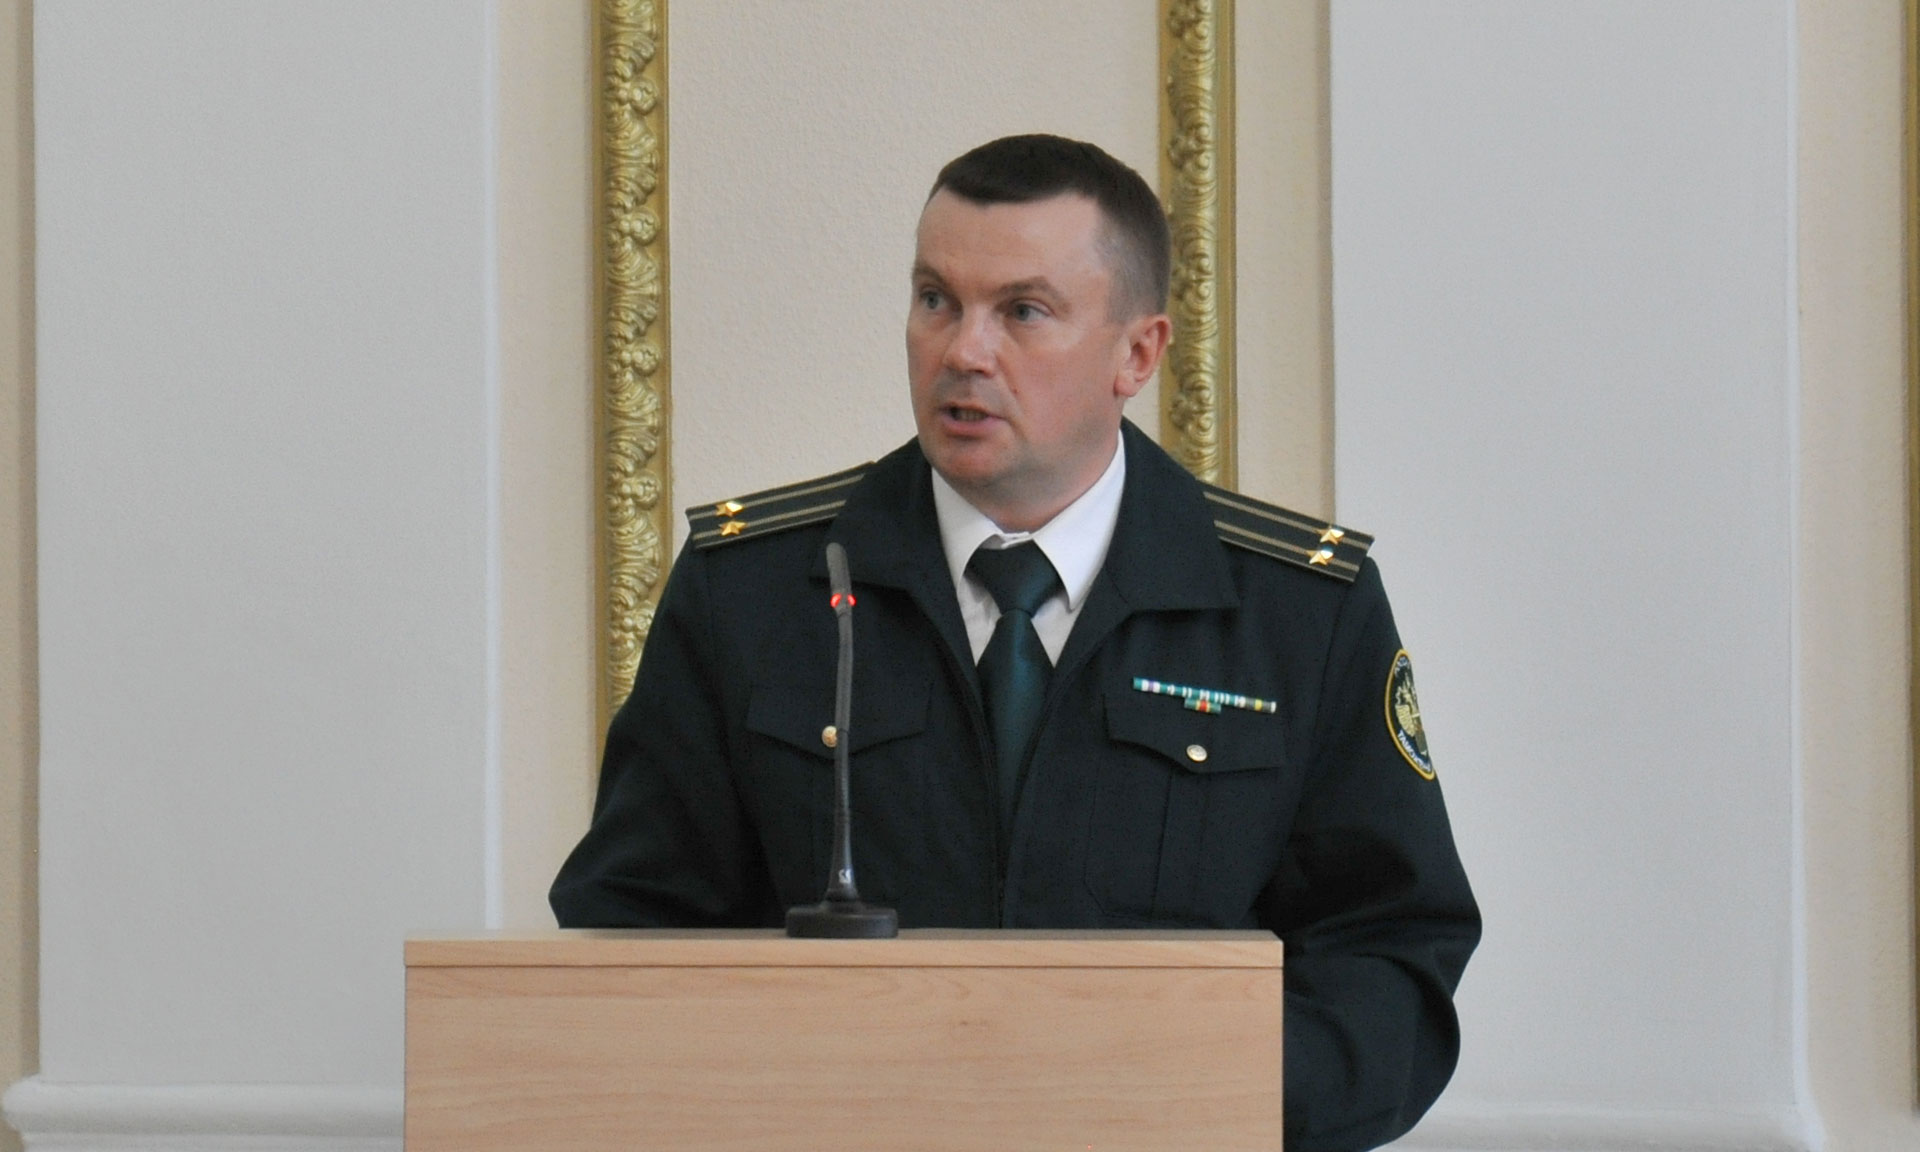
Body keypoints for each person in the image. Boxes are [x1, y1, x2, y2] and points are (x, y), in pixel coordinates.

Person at [551, 134, 1480, 1152]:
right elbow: (630, 929)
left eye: (1022, 312)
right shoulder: (755, 591)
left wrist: (1192, 1101)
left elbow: (1388, 953)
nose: (963, 352)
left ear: (1138, 354)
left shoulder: (1296, 612)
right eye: (935, 300)